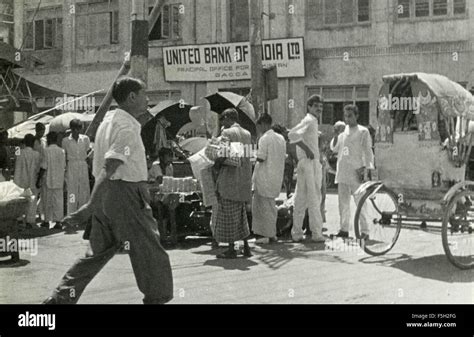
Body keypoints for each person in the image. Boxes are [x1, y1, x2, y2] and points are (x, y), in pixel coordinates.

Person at [43, 76, 173, 304]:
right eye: (145, 94)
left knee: (95, 254)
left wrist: (97, 203)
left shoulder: (109, 122)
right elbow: (110, 166)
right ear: (132, 97)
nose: (148, 99)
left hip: (107, 198)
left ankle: (60, 298)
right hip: (124, 197)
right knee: (152, 253)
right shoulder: (126, 128)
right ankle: (157, 299)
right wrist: (89, 206)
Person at [330, 104, 374, 240]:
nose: (347, 119)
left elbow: (368, 151)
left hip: (357, 172)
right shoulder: (343, 132)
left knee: (360, 202)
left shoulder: (363, 131)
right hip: (343, 171)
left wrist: (368, 170)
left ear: (356, 116)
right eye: (346, 116)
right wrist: (336, 134)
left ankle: (365, 231)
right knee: (343, 203)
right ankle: (344, 229)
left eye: (350, 116)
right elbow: (334, 148)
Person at [213, 108, 252, 259]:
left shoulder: (228, 133)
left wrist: (215, 165)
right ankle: (246, 247)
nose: (222, 122)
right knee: (241, 215)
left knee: (229, 216)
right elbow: (245, 157)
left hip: (229, 180)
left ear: (228, 118)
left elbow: (223, 154)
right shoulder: (247, 134)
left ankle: (231, 249)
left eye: (223, 119)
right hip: (243, 180)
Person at [288, 94, 326, 243]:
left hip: (305, 163)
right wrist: (307, 149)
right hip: (310, 163)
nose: (319, 109)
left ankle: (297, 233)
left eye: (321, 107)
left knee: (300, 200)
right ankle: (316, 233)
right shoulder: (310, 120)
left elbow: (295, 135)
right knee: (315, 198)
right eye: (316, 106)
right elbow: (292, 134)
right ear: (309, 107)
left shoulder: (311, 121)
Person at [252, 114, 286, 244]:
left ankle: (263, 235)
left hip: (264, 177)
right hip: (276, 177)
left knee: (261, 207)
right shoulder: (281, 138)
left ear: (263, 124)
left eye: (259, 126)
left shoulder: (264, 138)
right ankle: (272, 233)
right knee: (271, 207)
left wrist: (251, 154)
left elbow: (261, 157)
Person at [37, 132, 66, 230]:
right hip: (58, 179)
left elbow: (44, 166)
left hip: (48, 179)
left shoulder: (46, 151)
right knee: (58, 201)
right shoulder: (62, 151)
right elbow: (64, 166)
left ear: (49, 140)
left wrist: (38, 179)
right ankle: (58, 221)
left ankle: (46, 221)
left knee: (46, 201)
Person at [61, 119, 91, 215]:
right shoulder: (65, 141)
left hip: (82, 165)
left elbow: (88, 153)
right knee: (72, 190)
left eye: (78, 129)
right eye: (74, 129)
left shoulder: (85, 139)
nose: (76, 132)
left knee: (84, 190)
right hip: (71, 165)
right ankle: (72, 213)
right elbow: (64, 156)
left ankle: (83, 214)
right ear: (71, 129)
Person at [14, 134, 41, 227]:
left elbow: (16, 165)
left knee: (20, 199)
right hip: (32, 179)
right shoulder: (36, 154)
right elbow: (38, 168)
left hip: (20, 179)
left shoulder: (19, 152)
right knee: (32, 200)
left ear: (24, 142)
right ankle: (30, 220)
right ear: (33, 143)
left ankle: (20, 218)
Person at [272, 124, 298, 199]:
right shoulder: (279, 141)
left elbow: (294, 154)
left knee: (287, 179)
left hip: (287, 164)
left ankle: (288, 192)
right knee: (283, 179)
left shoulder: (290, 143)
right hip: (281, 163)